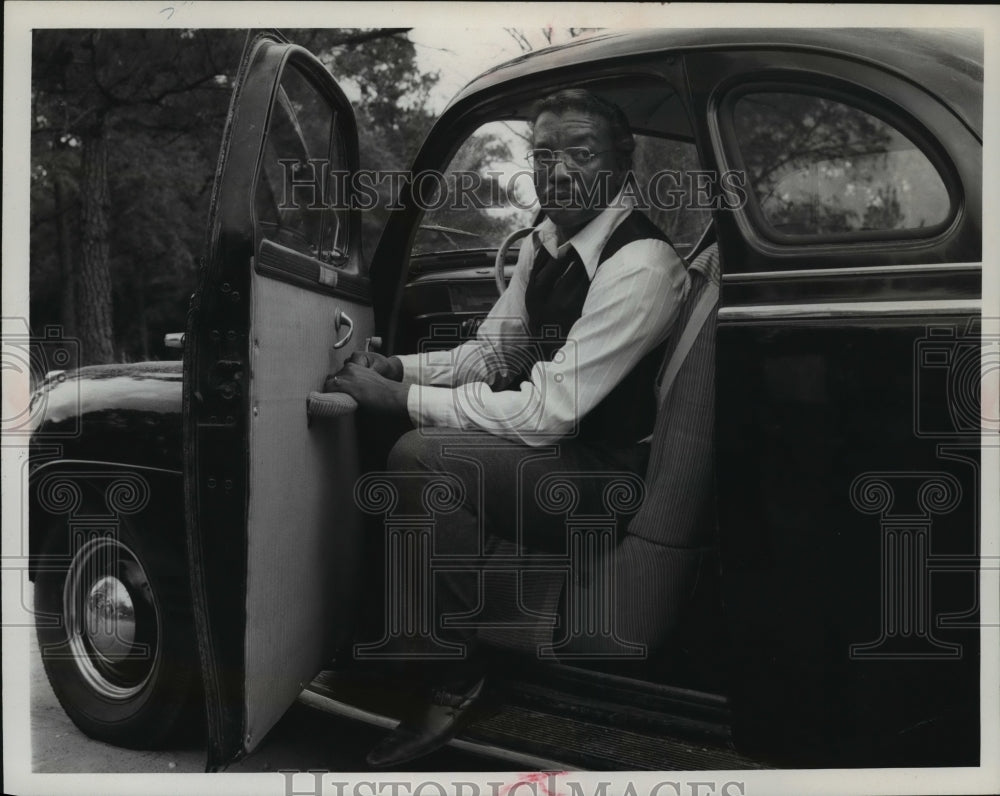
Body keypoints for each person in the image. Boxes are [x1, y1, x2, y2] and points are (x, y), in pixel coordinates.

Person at [326, 88, 690, 767]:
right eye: (544, 155)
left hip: (605, 475)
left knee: (421, 458)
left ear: (622, 160)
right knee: (384, 435)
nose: (559, 171)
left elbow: (548, 411)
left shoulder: (640, 264)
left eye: (581, 153)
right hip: (561, 454)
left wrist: (399, 404)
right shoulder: (545, 243)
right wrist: (398, 370)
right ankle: (382, 624)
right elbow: (488, 355)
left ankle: (456, 672)